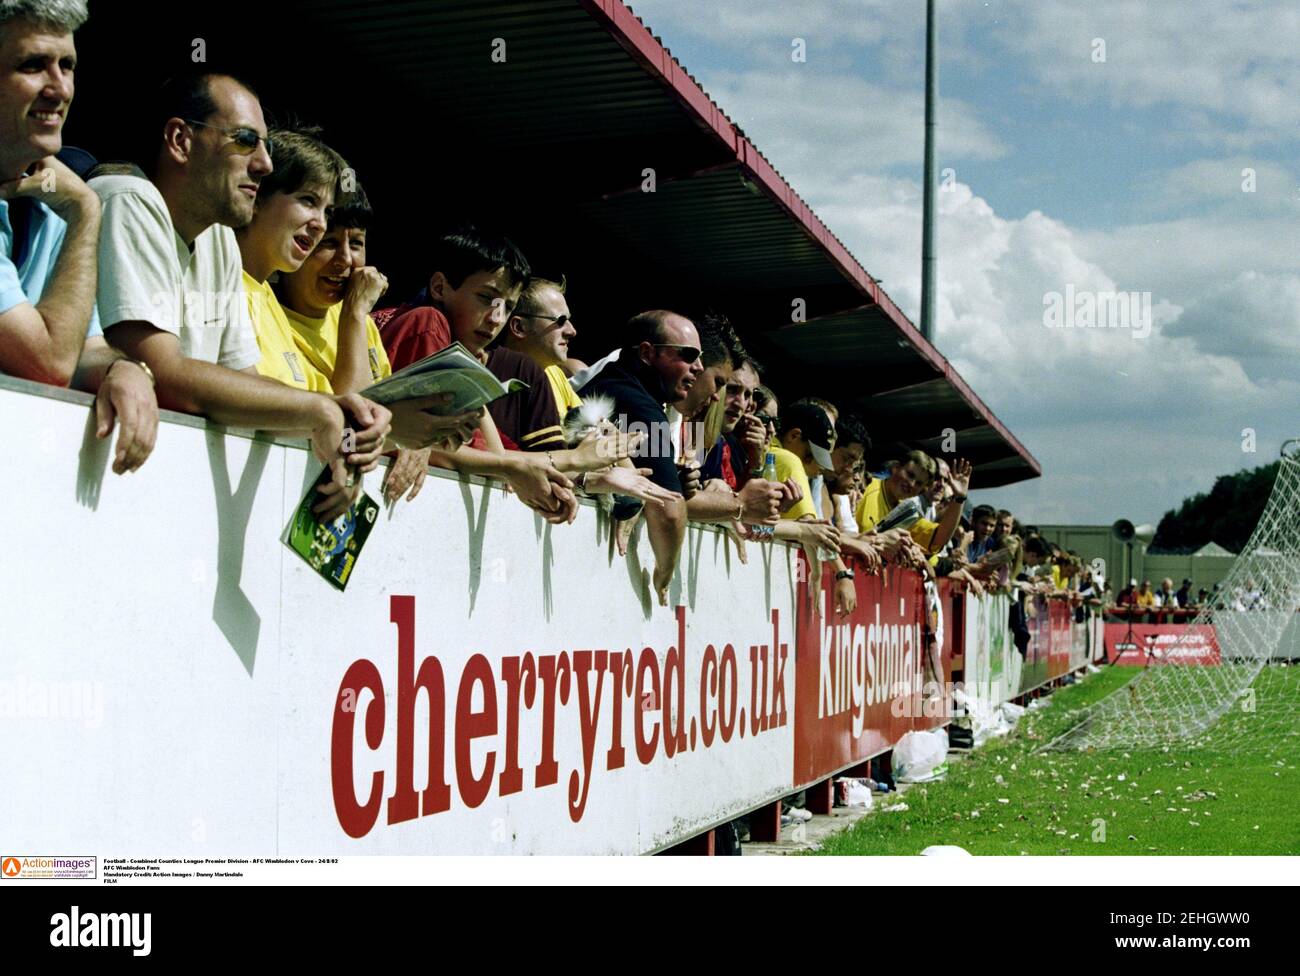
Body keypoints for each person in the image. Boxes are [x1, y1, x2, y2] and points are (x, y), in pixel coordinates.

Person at [93, 70, 392, 519]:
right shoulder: (127, 198)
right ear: (180, 140)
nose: (265, 164)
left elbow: (244, 379)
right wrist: (317, 409)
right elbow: (165, 373)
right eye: (246, 140)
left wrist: (340, 414)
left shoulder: (218, 240)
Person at [0, 0, 156, 473]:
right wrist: (89, 210)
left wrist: (125, 368)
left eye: (67, 65)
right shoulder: (73, 203)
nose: (59, 88)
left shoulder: (51, 202)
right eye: (33, 65)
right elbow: (46, 363)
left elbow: (82, 347)